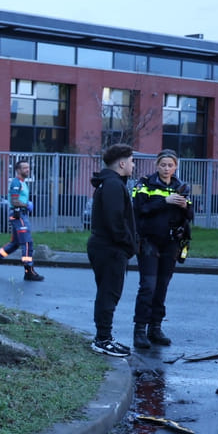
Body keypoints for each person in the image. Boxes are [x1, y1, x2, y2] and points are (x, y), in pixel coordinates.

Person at [130, 149, 194, 348]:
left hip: (171, 242)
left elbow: (191, 215)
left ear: (175, 167)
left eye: (170, 165)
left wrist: (185, 206)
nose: (167, 168)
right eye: (163, 165)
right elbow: (140, 209)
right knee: (148, 286)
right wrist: (164, 201)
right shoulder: (145, 184)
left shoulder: (180, 186)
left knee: (162, 286)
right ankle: (140, 330)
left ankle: (155, 328)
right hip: (149, 241)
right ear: (157, 165)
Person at [86, 143, 138, 357]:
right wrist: (129, 245)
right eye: (132, 161)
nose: (134, 165)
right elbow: (115, 221)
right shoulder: (113, 186)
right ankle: (102, 339)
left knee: (107, 292)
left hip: (106, 247)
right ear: (122, 163)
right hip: (110, 248)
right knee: (109, 293)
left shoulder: (110, 183)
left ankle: (105, 336)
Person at [0, 158, 44, 281]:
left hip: (20, 215)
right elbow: (15, 201)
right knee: (27, 243)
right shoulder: (16, 183)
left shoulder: (23, 183)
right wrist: (27, 205)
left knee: (15, 244)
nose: (27, 170)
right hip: (19, 215)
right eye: (24, 168)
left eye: (28, 167)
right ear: (18, 170)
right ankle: (29, 271)